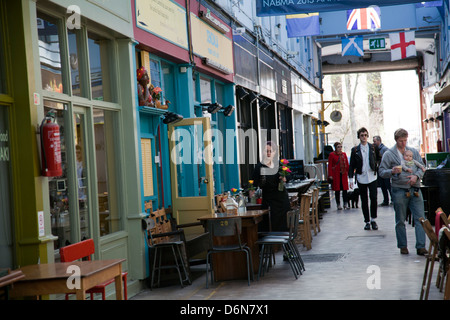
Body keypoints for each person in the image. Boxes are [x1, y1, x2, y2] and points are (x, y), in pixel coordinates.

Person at [378, 128, 428, 255]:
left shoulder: (413, 152)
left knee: (420, 218)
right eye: (401, 141)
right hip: (399, 190)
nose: (403, 143)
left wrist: (416, 176)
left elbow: (422, 167)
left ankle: (421, 246)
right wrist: (392, 171)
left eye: (405, 140)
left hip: (415, 189)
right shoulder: (389, 154)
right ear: (396, 140)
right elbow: (381, 171)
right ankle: (403, 246)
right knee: (400, 219)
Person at [252, 141, 290, 232]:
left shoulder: (280, 165)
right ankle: (269, 245)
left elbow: (290, 176)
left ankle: (281, 245)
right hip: (268, 201)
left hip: (281, 201)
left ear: (275, 152)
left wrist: (285, 178)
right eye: (266, 151)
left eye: (271, 151)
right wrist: (251, 191)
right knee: (266, 227)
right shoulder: (259, 167)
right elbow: (253, 184)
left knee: (282, 227)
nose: (268, 153)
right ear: (263, 152)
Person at [349, 127, 380, 230]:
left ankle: (373, 219)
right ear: (359, 136)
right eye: (362, 135)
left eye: (366, 135)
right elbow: (352, 165)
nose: (364, 137)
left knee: (374, 198)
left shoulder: (373, 147)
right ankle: (366, 221)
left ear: (368, 136)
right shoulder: (355, 150)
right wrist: (350, 179)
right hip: (361, 177)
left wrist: (378, 167)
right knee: (364, 200)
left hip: (372, 176)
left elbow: (379, 158)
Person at [328, 142, 350, 210]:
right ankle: (338, 204)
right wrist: (330, 175)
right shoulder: (332, 155)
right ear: (335, 148)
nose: (340, 148)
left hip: (343, 174)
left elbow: (346, 163)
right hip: (336, 174)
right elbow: (330, 165)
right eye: (338, 147)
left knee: (345, 190)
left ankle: (345, 204)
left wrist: (349, 173)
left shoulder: (344, 154)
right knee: (337, 190)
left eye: (341, 147)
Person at [373, 135, 392, 206]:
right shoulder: (375, 149)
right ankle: (385, 200)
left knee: (388, 185)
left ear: (379, 141)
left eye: (375, 141)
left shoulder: (385, 149)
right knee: (382, 186)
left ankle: (392, 200)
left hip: (386, 170)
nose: (374, 143)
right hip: (380, 170)